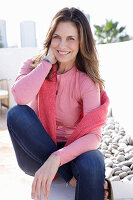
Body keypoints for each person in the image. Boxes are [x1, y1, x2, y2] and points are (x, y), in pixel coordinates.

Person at [7, 7, 113, 200]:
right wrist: (47, 62)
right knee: (16, 114)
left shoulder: (87, 82)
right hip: (35, 153)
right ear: (50, 38)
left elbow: (94, 136)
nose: (62, 45)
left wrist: (57, 158)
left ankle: (66, 170)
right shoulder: (34, 65)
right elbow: (20, 98)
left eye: (71, 38)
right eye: (57, 37)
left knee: (93, 162)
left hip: (73, 150)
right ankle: (71, 177)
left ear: (82, 42)